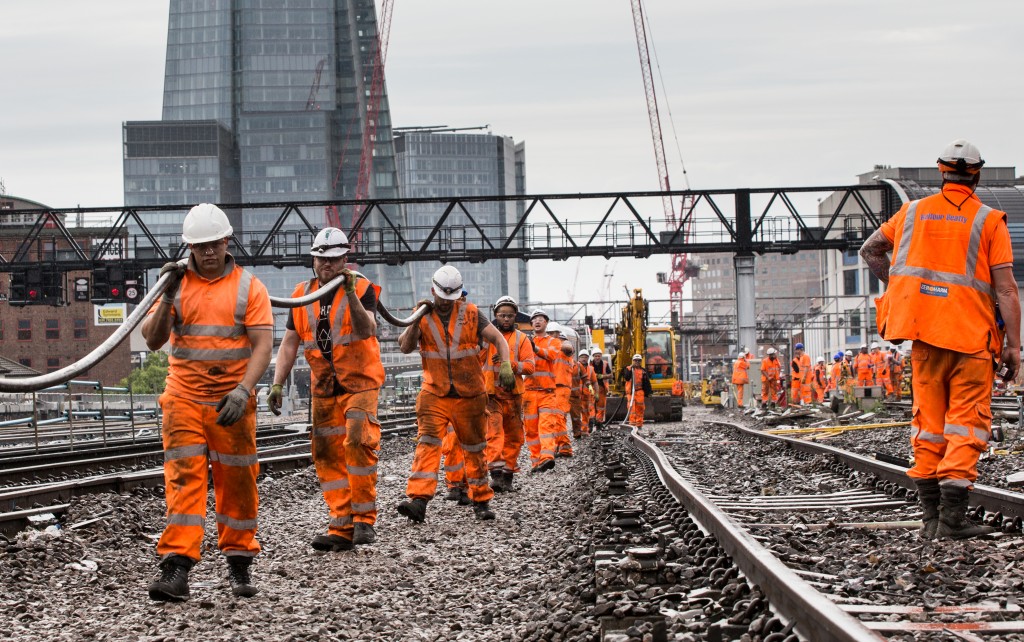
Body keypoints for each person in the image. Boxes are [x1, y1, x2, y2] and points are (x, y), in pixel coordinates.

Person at [861, 138, 1020, 540]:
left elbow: (871, 251)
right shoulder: (989, 221)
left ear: (940, 170)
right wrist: (1015, 346)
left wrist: (900, 288)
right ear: (977, 174)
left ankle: (930, 517)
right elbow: (1006, 290)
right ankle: (951, 520)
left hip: (925, 338)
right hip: (971, 339)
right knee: (966, 423)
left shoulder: (911, 213)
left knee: (928, 424)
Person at [141, 203, 272, 601]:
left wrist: (243, 390)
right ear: (190, 248)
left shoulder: (250, 287)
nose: (208, 253)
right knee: (184, 480)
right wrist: (165, 295)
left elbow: (264, 344)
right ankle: (177, 567)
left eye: (214, 244)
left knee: (237, 482)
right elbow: (151, 339)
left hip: (230, 401)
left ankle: (238, 564)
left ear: (227, 242)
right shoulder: (176, 285)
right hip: (183, 396)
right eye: (199, 247)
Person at [267, 227, 385, 552]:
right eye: (321, 259)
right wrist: (278, 382)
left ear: (344, 260)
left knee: (358, 440)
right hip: (324, 386)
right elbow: (290, 342)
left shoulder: (361, 288)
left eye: (333, 260)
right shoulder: (301, 294)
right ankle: (342, 523)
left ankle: (364, 520)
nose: (326, 266)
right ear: (314, 259)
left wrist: (348, 294)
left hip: (359, 381)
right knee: (326, 453)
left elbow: (367, 329)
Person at [396, 266, 515, 523]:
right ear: (433, 292)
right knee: (427, 444)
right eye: (442, 297)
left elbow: (499, 339)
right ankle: (418, 501)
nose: (447, 302)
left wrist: (505, 364)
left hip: (469, 394)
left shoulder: (472, 313)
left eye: (453, 297)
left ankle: (481, 500)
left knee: (474, 449)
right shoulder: (422, 315)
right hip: (434, 392)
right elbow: (405, 346)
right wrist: (417, 317)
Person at [480, 295, 536, 492]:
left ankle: (508, 476)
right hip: (492, 395)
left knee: (514, 437)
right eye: (502, 315)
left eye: (510, 316)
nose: (506, 319)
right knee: (494, 435)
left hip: (513, 396)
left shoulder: (522, 339)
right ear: (495, 316)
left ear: (515, 317)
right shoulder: (486, 337)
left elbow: (530, 367)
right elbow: (476, 360)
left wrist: (509, 364)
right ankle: (495, 475)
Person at [523, 310, 569, 472]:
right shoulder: (525, 342)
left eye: (541, 319)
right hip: (528, 391)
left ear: (546, 323)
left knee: (547, 425)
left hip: (547, 392)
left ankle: (547, 456)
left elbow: (552, 355)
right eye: (534, 319)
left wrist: (535, 348)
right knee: (531, 428)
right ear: (531, 324)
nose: (537, 321)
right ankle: (536, 461)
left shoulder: (554, 342)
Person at [548, 323, 575, 457]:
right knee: (557, 419)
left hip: (561, 388)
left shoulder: (564, 349)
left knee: (558, 418)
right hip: (556, 388)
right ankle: (560, 446)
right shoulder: (555, 352)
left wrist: (556, 340)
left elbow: (568, 346)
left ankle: (565, 448)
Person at [624, 354, 653, 427]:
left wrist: (648, 392)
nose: (637, 362)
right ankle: (632, 424)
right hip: (631, 392)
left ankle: (639, 424)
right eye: (635, 360)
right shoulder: (629, 369)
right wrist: (631, 368)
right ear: (633, 361)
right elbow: (627, 377)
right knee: (632, 409)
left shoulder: (643, 371)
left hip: (640, 391)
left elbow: (646, 382)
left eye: (639, 361)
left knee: (640, 408)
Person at [577, 350, 598, 435]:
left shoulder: (591, 369)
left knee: (586, 413)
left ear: (588, 358)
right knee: (576, 414)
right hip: (576, 395)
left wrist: (596, 393)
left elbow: (595, 382)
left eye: (585, 357)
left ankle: (584, 430)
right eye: (582, 357)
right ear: (579, 358)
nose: (584, 359)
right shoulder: (574, 367)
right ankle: (577, 431)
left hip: (586, 395)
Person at [591, 348, 612, 424]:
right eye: (596, 356)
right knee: (591, 406)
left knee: (601, 406)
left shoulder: (605, 364)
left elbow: (610, 375)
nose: (597, 357)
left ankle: (598, 422)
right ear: (593, 356)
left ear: (601, 356)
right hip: (591, 388)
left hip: (602, 388)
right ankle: (591, 421)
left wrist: (602, 376)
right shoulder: (590, 364)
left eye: (599, 356)